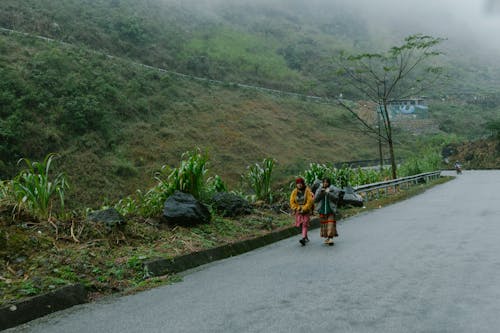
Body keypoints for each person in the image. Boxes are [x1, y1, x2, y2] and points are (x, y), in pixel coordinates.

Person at [314, 177, 342, 246]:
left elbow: (336, 198)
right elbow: (316, 199)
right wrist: (321, 192)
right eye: (324, 182)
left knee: (330, 224)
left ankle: (330, 238)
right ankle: (328, 238)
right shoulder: (320, 189)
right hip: (322, 209)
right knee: (325, 225)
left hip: (331, 209)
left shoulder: (333, 189)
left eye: (326, 182)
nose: (325, 183)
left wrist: (328, 193)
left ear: (329, 183)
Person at [290, 177, 315, 246]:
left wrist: (304, 208)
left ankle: (303, 238)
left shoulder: (307, 191)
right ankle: (306, 236)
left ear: (303, 184)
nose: (299, 185)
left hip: (306, 210)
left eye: (300, 183)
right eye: (298, 184)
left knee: (305, 223)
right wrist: (297, 208)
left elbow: (309, 201)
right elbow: (292, 201)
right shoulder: (294, 192)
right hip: (298, 210)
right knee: (301, 224)